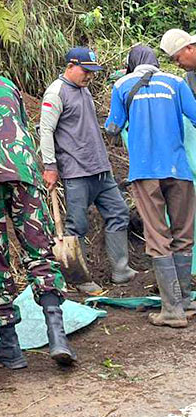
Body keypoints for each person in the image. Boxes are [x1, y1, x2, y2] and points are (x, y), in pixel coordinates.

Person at [0, 50, 75, 368]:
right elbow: (21, 126)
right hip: (25, 172)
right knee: (39, 251)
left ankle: (10, 346)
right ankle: (58, 337)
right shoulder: (7, 84)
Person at [104, 45, 196, 328]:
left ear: (132, 64)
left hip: (145, 172)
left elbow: (112, 127)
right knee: (183, 232)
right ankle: (186, 300)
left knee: (158, 235)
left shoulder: (122, 85)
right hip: (178, 169)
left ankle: (171, 311)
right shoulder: (176, 82)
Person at [39, 46, 137, 294]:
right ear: (70, 66)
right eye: (85, 71)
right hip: (76, 172)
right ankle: (81, 279)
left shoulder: (84, 91)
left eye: (92, 72)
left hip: (100, 169)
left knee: (119, 212)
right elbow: (46, 131)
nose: (89, 76)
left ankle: (121, 270)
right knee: (78, 225)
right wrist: (50, 166)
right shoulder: (55, 93)